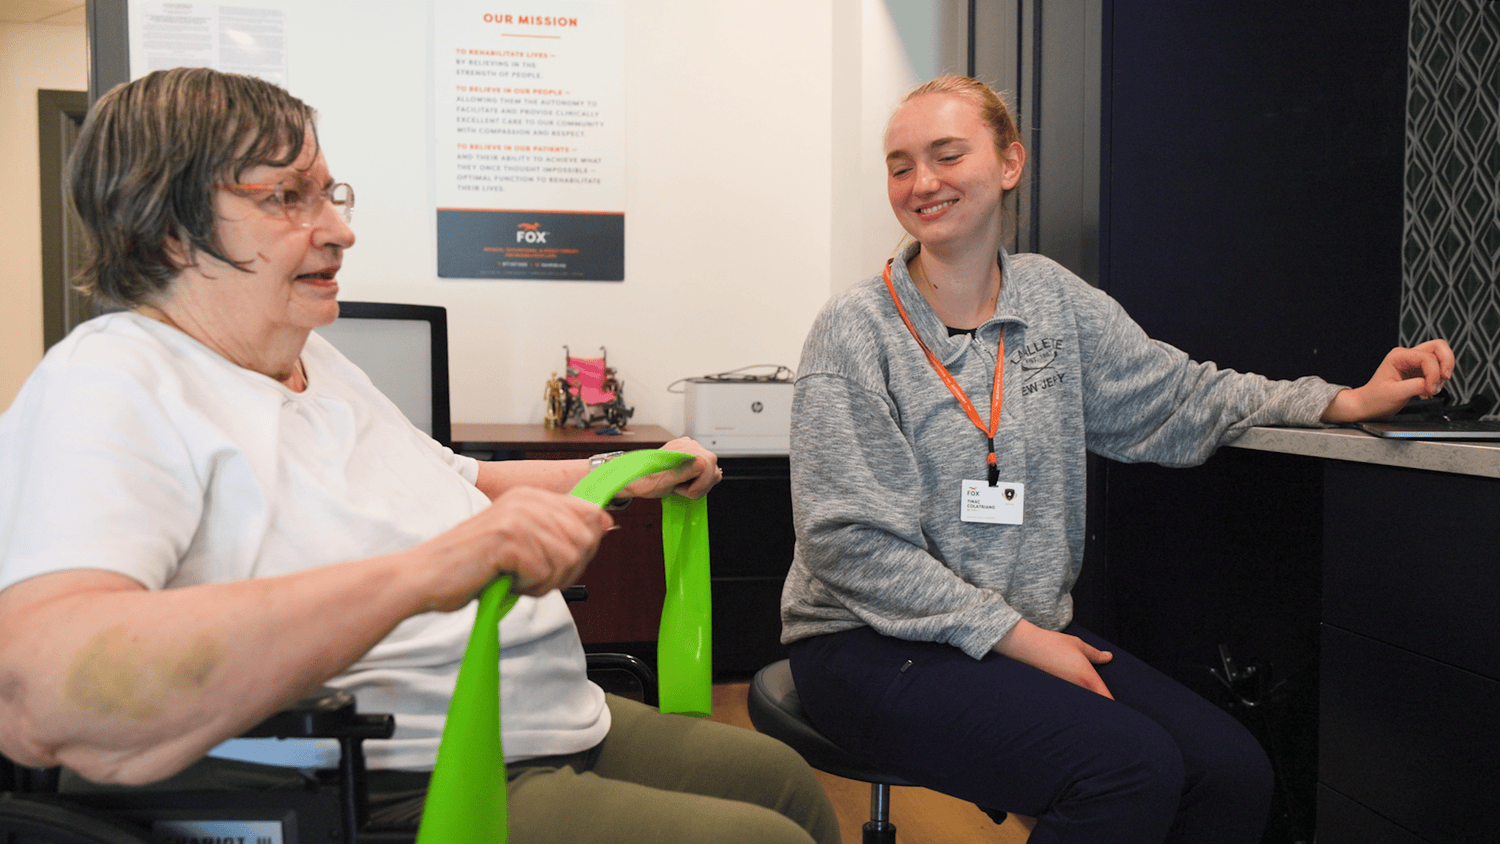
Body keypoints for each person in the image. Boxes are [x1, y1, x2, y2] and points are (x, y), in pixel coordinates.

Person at [0, 67, 838, 844]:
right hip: (389, 775)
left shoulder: (314, 360)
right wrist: (425, 572)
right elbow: (42, 690)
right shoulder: (113, 380)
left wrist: (617, 476)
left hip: (537, 717)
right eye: (287, 198)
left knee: (785, 785)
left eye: (329, 193)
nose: (340, 230)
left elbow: (464, 482)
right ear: (167, 230)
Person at [781, 74, 1454, 844]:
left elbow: (1179, 395)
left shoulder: (1053, 302)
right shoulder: (855, 328)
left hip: (1013, 634)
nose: (922, 182)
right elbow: (847, 544)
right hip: (867, 643)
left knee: (1231, 771)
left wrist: (1343, 400)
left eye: (947, 155)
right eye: (900, 165)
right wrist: (1023, 640)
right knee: (1128, 768)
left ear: (1010, 162)